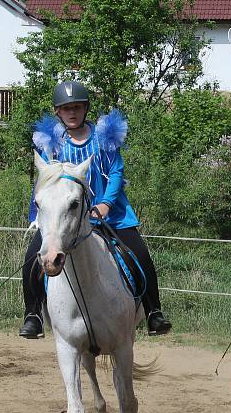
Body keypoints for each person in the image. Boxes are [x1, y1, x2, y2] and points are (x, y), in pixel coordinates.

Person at [19, 80, 171, 339]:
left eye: (77, 107)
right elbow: (44, 182)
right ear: (58, 111)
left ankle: (153, 311)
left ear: (85, 108)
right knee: (33, 257)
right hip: (64, 216)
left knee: (140, 255)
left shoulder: (103, 138)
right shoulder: (52, 144)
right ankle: (32, 314)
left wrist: (105, 203)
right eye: (66, 108)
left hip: (109, 214)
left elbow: (116, 172)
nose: (72, 112)